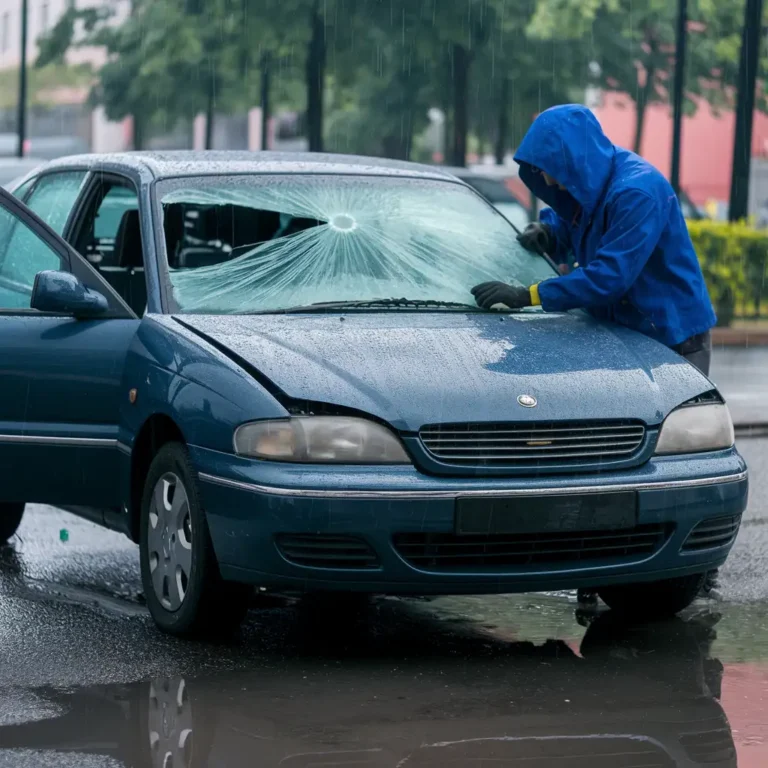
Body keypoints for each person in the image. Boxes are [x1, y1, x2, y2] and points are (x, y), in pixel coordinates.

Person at [472, 104, 719, 598]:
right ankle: (608, 565)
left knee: (677, 461)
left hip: (672, 339)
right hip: (619, 338)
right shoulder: (587, 187)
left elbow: (610, 275)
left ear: (574, 161)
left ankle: (695, 571)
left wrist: (530, 296)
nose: (544, 180)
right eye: (539, 173)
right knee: (607, 455)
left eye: (549, 171)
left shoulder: (637, 192)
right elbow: (573, 221)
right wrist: (548, 231)